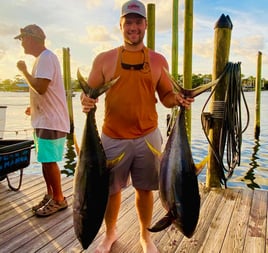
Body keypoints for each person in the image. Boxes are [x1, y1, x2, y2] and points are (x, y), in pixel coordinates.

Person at [80, 1, 194, 252]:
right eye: (128, 22)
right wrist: (86, 101)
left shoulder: (157, 60)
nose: (133, 27)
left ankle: (146, 236)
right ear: (120, 25)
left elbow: (166, 97)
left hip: (147, 137)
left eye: (138, 22)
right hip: (112, 136)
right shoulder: (104, 59)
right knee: (112, 190)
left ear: (146, 25)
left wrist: (178, 99)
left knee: (146, 189)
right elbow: (89, 93)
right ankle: (110, 233)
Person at [14, 24, 70, 217]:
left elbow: (41, 87)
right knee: (45, 160)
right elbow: (44, 90)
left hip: (50, 120)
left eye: (22, 39)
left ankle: (59, 199)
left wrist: (23, 71)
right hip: (44, 118)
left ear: (31, 38)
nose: (21, 43)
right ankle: (50, 194)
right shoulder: (42, 59)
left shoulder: (46, 58)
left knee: (49, 161)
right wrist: (35, 107)